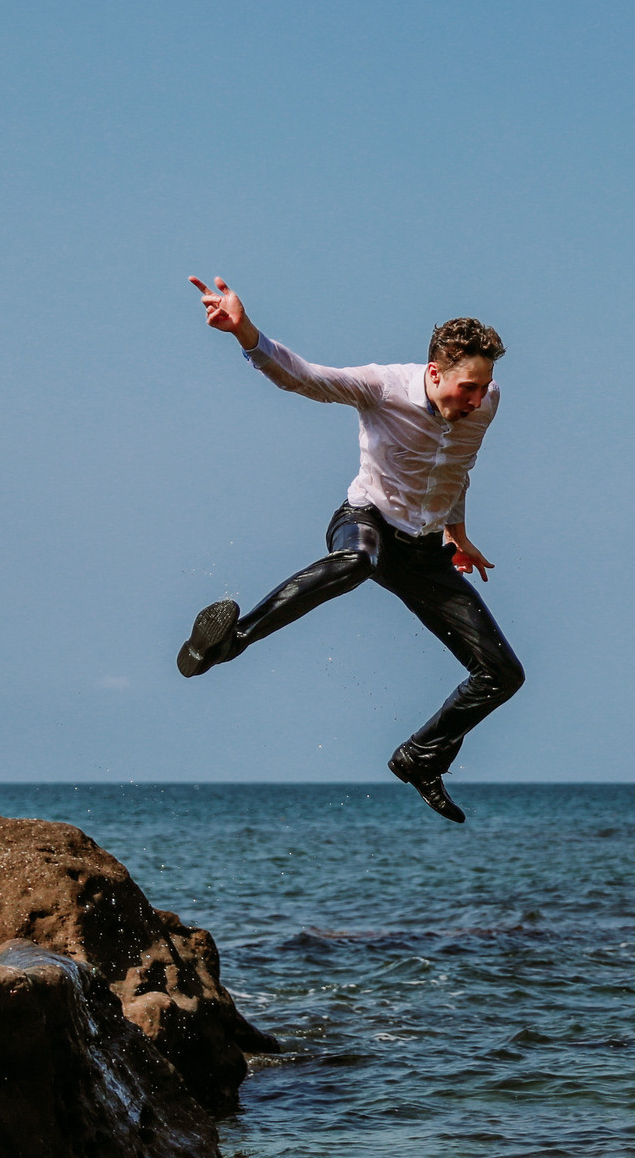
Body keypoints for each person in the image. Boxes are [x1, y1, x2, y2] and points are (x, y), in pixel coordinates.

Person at [174, 276, 524, 824]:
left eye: (484, 387)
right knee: (357, 561)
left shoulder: (487, 403)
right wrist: (245, 331)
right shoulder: (382, 386)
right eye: (467, 388)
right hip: (367, 523)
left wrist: (457, 532)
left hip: (425, 550)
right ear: (435, 373)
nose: (477, 399)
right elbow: (306, 378)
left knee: (504, 674)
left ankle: (420, 758)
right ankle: (233, 640)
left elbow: (458, 468)